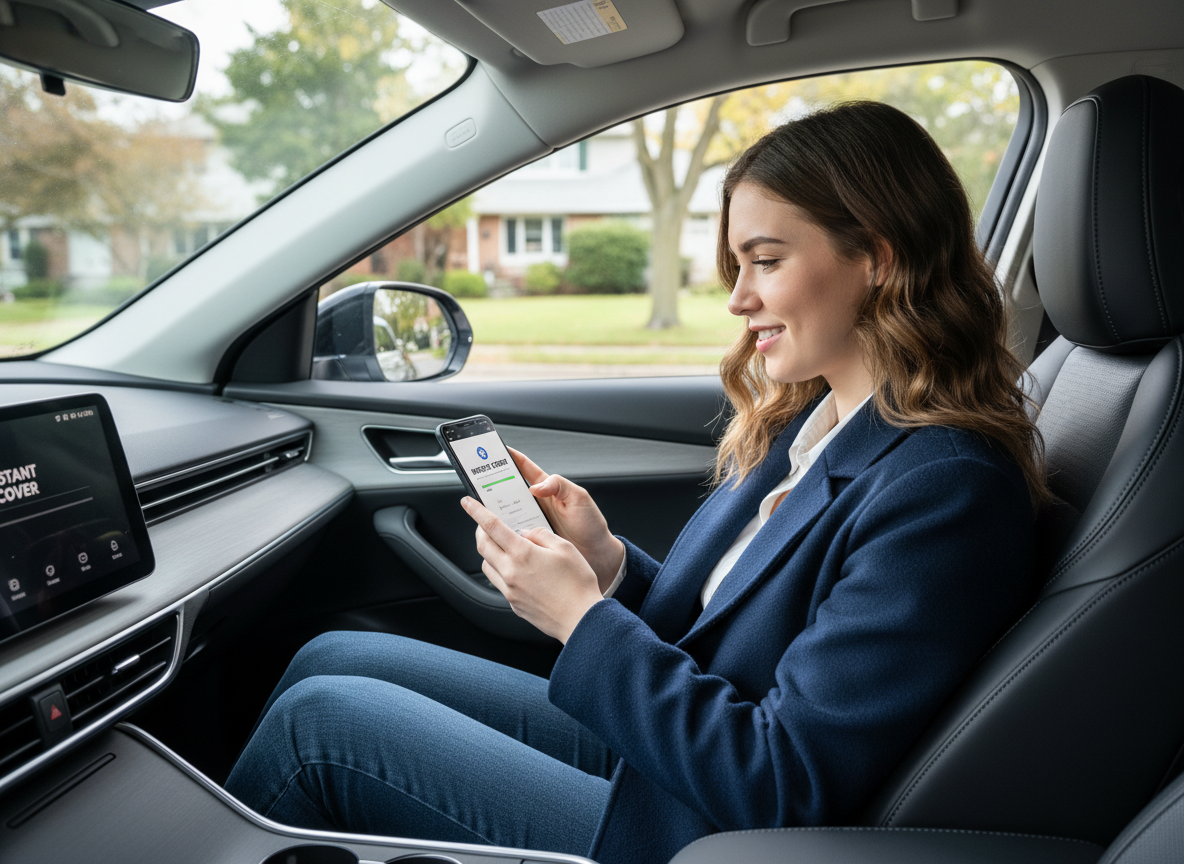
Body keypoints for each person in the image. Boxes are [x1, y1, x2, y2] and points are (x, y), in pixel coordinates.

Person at [225, 101, 1045, 864]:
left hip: (697, 827)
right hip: (672, 754)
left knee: (318, 728)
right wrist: (608, 563)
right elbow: (734, 631)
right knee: (333, 655)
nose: (737, 299)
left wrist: (579, 617)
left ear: (875, 256)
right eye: (736, 265)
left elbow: (781, 781)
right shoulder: (823, 422)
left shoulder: (946, 489)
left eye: (765, 261)